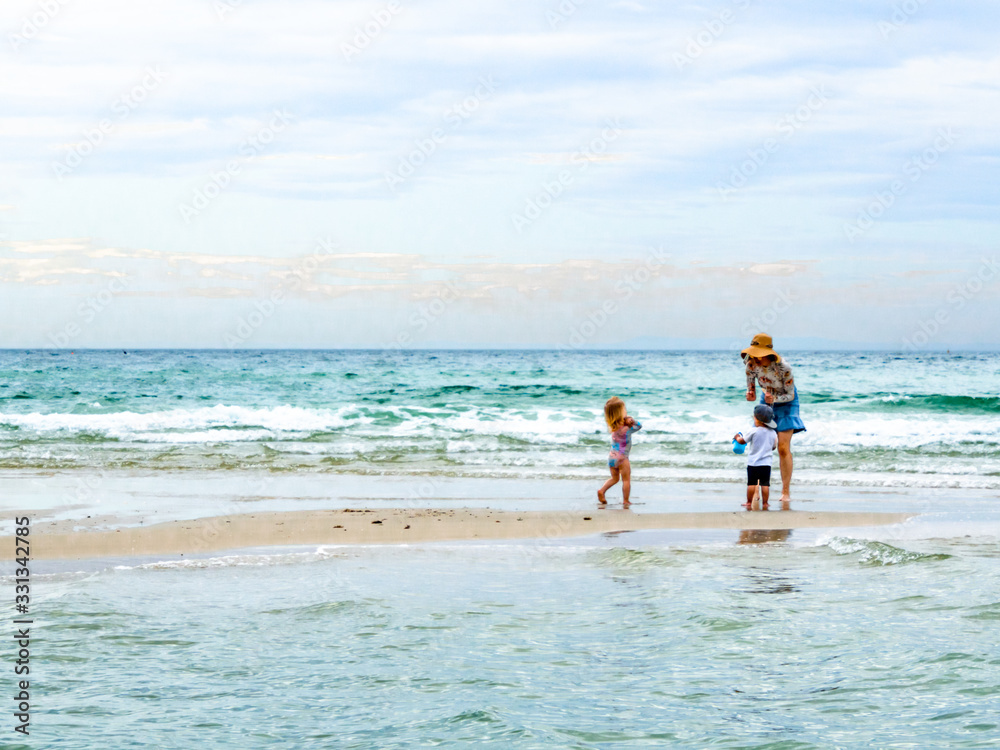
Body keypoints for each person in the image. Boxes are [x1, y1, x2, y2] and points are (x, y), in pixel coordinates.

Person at [741, 333, 806, 503]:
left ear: (767, 353)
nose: (755, 358)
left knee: (782, 448)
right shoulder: (750, 364)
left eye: (758, 354)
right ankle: (755, 491)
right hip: (766, 398)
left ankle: (785, 492)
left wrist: (775, 400)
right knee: (761, 443)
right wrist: (750, 395)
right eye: (753, 353)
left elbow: (790, 395)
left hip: (787, 402)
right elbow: (752, 390)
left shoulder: (784, 367)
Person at [597, 397, 642, 507]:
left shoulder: (612, 427)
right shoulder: (627, 428)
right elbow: (639, 426)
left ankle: (602, 491)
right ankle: (626, 500)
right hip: (622, 458)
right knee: (626, 480)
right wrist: (631, 419)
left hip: (612, 457)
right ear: (621, 412)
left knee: (615, 478)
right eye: (624, 409)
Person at [733, 404, 778, 509]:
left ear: (757, 419)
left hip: (753, 463)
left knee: (751, 484)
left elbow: (742, 441)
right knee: (765, 484)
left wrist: (737, 437)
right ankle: (765, 503)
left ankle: (749, 502)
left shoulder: (753, 430)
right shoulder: (773, 433)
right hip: (766, 463)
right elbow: (774, 447)